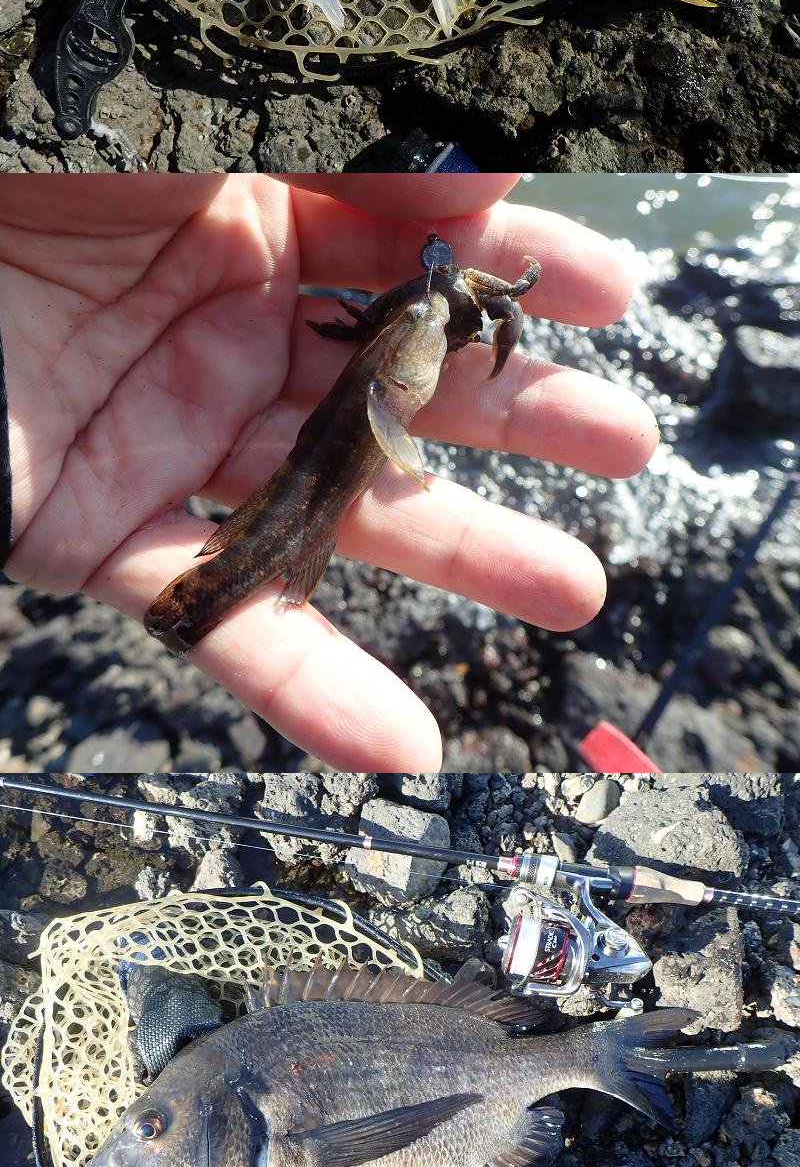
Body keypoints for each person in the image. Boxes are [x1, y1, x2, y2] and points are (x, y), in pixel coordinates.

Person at [0, 168, 658, 773]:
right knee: (288, 534)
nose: (430, 318)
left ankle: (193, 607)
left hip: (306, 494)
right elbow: (401, 428)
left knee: (300, 529)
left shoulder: (394, 366)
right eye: (422, 325)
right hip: (299, 499)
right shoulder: (393, 387)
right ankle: (191, 607)